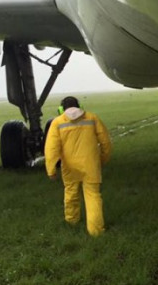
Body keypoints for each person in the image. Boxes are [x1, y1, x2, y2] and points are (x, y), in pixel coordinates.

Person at [45, 96, 112, 237]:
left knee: (71, 193)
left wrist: (51, 170)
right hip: (90, 165)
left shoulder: (57, 122)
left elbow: (51, 149)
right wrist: (103, 159)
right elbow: (105, 142)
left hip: (70, 167)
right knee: (93, 196)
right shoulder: (92, 118)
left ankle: (72, 221)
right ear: (80, 105)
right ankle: (96, 231)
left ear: (61, 109)